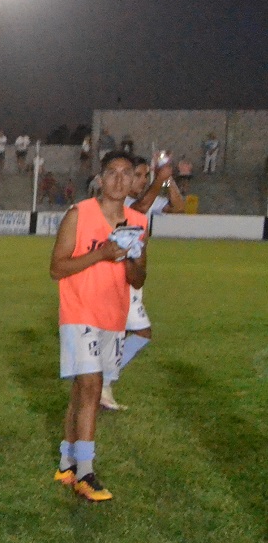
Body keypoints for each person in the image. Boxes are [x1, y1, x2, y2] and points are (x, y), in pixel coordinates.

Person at [50, 152, 147, 503]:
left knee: (82, 391)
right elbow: (57, 268)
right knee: (92, 386)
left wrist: (132, 258)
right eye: (112, 173)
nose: (119, 180)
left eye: (127, 173)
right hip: (79, 311)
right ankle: (86, 473)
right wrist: (101, 254)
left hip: (113, 315)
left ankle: (67, 463)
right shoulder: (79, 214)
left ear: (134, 181)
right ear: (101, 179)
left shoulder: (138, 221)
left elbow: (139, 279)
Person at [103, 156, 185, 410]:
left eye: (145, 176)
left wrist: (168, 181)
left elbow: (178, 207)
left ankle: (102, 383)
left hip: (135, 278)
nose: (141, 180)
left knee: (125, 334)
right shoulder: (123, 202)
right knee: (136, 332)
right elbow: (138, 209)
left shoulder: (147, 199)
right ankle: (101, 381)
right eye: (137, 175)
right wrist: (158, 181)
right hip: (121, 276)